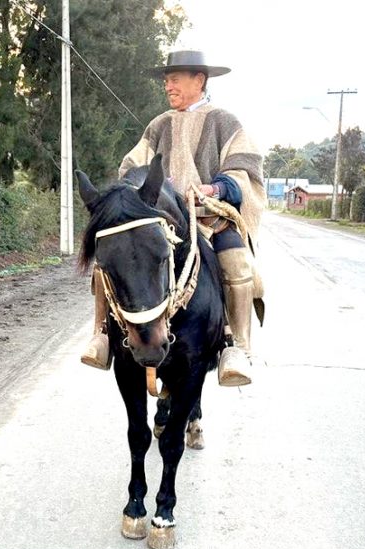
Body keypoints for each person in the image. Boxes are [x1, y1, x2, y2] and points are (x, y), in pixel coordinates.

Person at [80, 50, 265, 386]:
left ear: (200, 80)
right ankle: (102, 335)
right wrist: (149, 191)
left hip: (209, 218)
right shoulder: (158, 124)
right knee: (108, 258)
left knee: (237, 262)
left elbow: (245, 171)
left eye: (176, 77)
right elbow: (130, 171)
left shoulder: (225, 122)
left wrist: (215, 188)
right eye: (167, 78)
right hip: (162, 220)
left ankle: (236, 345)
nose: (168, 84)